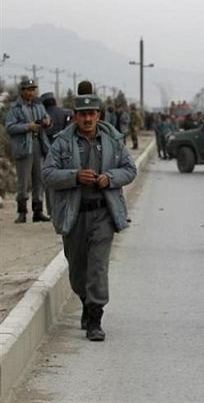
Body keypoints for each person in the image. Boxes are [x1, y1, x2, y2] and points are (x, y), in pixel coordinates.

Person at [42, 94, 137, 341]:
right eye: (82, 114)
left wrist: (111, 178)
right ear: (75, 116)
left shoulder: (113, 140)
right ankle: (85, 301)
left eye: (91, 114)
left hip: (103, 214)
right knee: (78, 271)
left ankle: (95, 317)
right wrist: (74, 177)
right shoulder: (62, 142)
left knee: (97, 267)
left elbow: (129, 169)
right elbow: (48, 174)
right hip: (73, 215)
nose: (87, 118)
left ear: (98, 116)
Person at [5, 78, 52, 223]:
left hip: (39, 144)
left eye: (33, 89)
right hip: (24, 146)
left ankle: (38, 210)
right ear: (22, 91)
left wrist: (47, 122)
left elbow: (47, 120)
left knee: (39, 179)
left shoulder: (39, 106)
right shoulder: (15, 109)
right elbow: (10, 127)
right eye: (28, 89)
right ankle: (22, 211)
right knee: (23, 181)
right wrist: (27, 127)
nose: (31, 92)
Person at [40, 91, 73, 215]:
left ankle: (51, 210)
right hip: (67, 150)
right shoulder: (66, 113)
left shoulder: (45, 116)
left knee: (51, 180)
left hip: (48, 151)